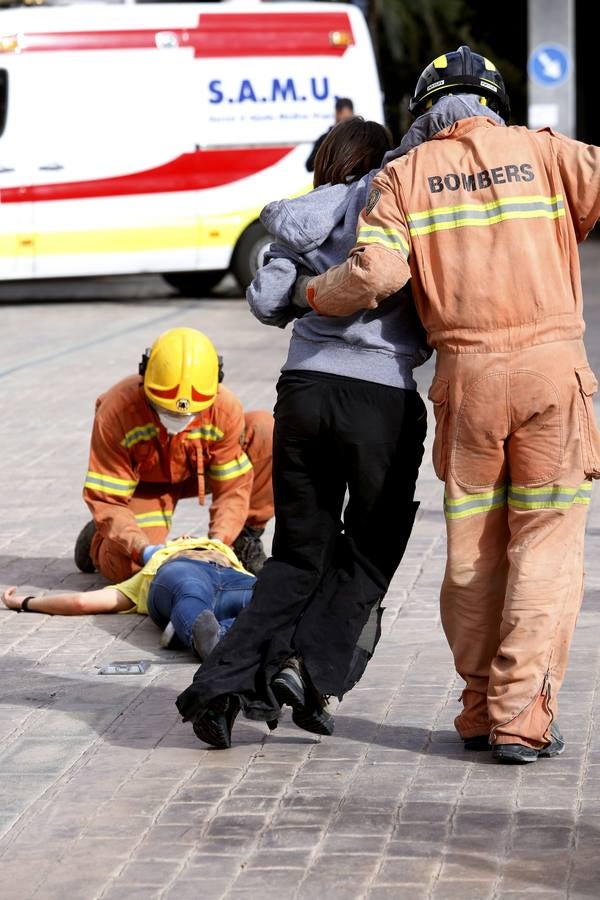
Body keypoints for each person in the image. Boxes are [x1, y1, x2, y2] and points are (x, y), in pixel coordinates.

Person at [304, 46, 600, 764]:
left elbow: (376, 273)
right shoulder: (551, 154)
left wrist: (313, 295)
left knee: (473, 548)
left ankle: (477, 708)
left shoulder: (404, 176)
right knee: (545, 547)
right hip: (551, 376)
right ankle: (520, 716)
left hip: (465, 381)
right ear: (495, 103)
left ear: (422, 113)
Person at [176, 117, 430, 749]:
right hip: (382, 395)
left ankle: (223, 689)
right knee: (371, 545)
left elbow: (265, 301)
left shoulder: (300, 219)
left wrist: (302, 287)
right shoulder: (398, 199)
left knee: (297, 557)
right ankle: (303, 668)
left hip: (305, 391)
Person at [74, 327, 273, 581]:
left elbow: (232, 487)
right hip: (144, 488)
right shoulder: (116, 412)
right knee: (134, 570)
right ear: (145, 377)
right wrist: (141, 548)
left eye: (189, 414)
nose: (179, 419)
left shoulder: (223, 408)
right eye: (165, 410)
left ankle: (243, 542)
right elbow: (107, 498)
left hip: (199, 474)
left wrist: (219, 544)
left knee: (265, 431)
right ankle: (99, 539)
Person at [3, 537, 256, 659]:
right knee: (190, 593)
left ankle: (215, 633)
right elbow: (83, 602)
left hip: (234, 577)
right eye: (180, 538)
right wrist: (25, 602)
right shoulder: (157, 563)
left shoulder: (227, 554)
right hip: (185, 571)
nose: (186, 537)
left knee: (270, 599)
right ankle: (202, 636)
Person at [305, 97, 354, 172]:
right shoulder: (325, 139)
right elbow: (309, 165)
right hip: (331, 182)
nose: (346, 123)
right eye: (344, 118)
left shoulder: (357, 139)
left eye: (347, 118)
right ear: (337, 113)